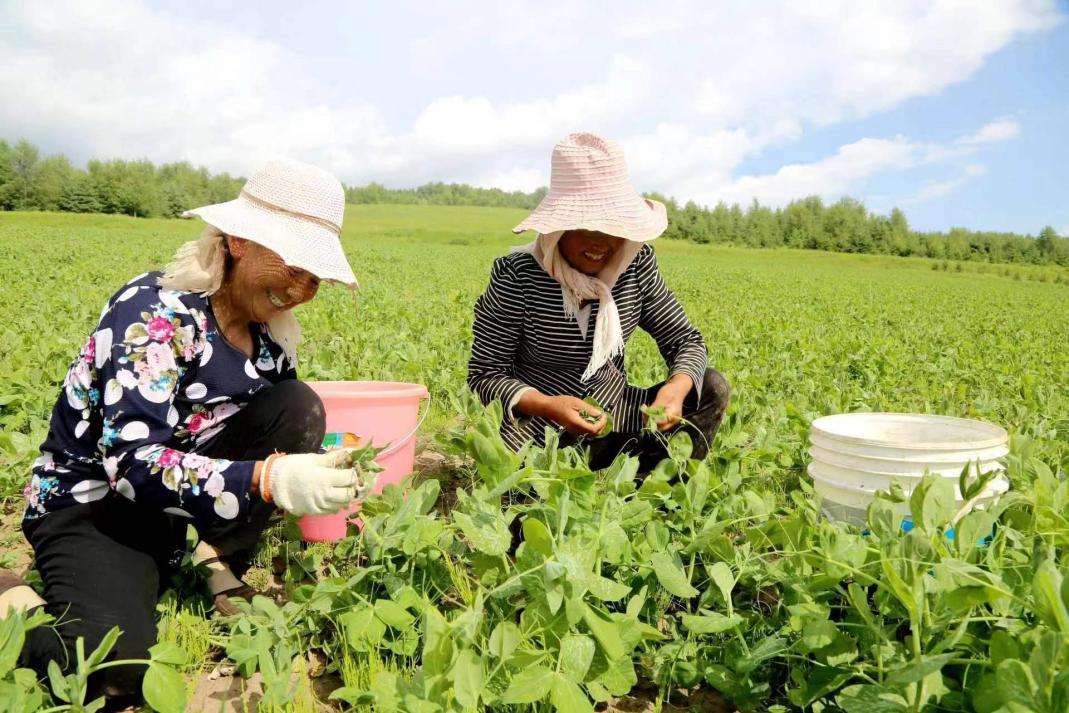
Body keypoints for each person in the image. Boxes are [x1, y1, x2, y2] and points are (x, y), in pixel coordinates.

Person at [0, 157, 372, 709]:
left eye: (314, 278)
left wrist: (325, 470)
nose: (300, 290)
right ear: (240, 242)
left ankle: (212, 560)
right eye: (294, 266)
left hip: (171, 505)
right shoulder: (154, 314)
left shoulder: (269, 338)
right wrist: (268, 479)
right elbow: (129, 465)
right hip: (94, 502)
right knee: (115, 669)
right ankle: (12, 597)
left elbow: (264, 433)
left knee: (298, 406)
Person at [468, 132, 730, 470]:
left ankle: (663, 486)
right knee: (525, 501)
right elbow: (485, 374)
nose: (600, 242)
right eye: (585, 226)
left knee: (710, 386)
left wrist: (676, 389)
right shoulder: (517, 275)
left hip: (614, 415)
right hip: (540, 428)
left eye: (612, 226)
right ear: (557, 228)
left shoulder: (635, 265)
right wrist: (546, 405)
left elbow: (685, 341)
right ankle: (572, 474)